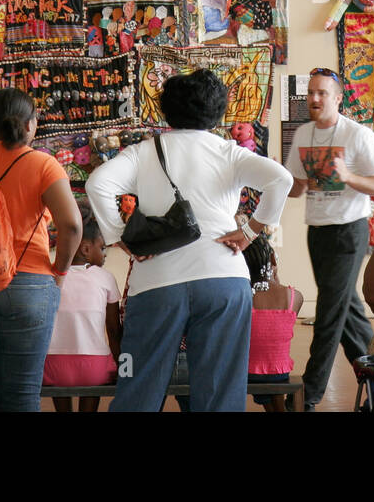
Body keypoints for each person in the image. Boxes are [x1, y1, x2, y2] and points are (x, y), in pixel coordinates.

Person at [87, 69, 292, 411]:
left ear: (166, 110)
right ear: (218, 112)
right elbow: (281, 179)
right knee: (219, 391)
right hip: (223, 278)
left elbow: (97, 184)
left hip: (156, 281)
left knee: (139, 388)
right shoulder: (229, 152)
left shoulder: (144, 152)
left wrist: (117, 237)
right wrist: (250, 232)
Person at [0, 88, 82, 412]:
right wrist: (61, 272)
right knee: (23, 394)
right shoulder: (44, 165)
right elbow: (71, 225)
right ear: (31, 124)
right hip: (31, 284)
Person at [284, 67, 374, 411]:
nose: (314, 99)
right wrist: (280, 179)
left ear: (338, 98)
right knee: (347, 312)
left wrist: (348, 176)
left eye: (322, 93)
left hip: (349, 230)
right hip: (317, 231)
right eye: (310, 93)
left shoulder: (358, 135)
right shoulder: (302, 134)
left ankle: (307, 396)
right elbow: (298, 188)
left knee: (329, 313)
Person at [44, 207, 121, 412]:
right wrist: (124, 368)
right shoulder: (105, 278)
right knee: (97, 373)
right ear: (86, 249)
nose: (104, 255)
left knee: (58, 384)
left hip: (53, 367)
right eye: (102, 248)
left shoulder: (50, 275)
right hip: (93, 370)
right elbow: (114, 331)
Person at [245, 236, 303, 412]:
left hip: (246, 372)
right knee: (270, 359)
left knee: (258, 358)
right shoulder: (294, 297)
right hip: (279, 373)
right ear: (272, 260)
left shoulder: (242, 296)